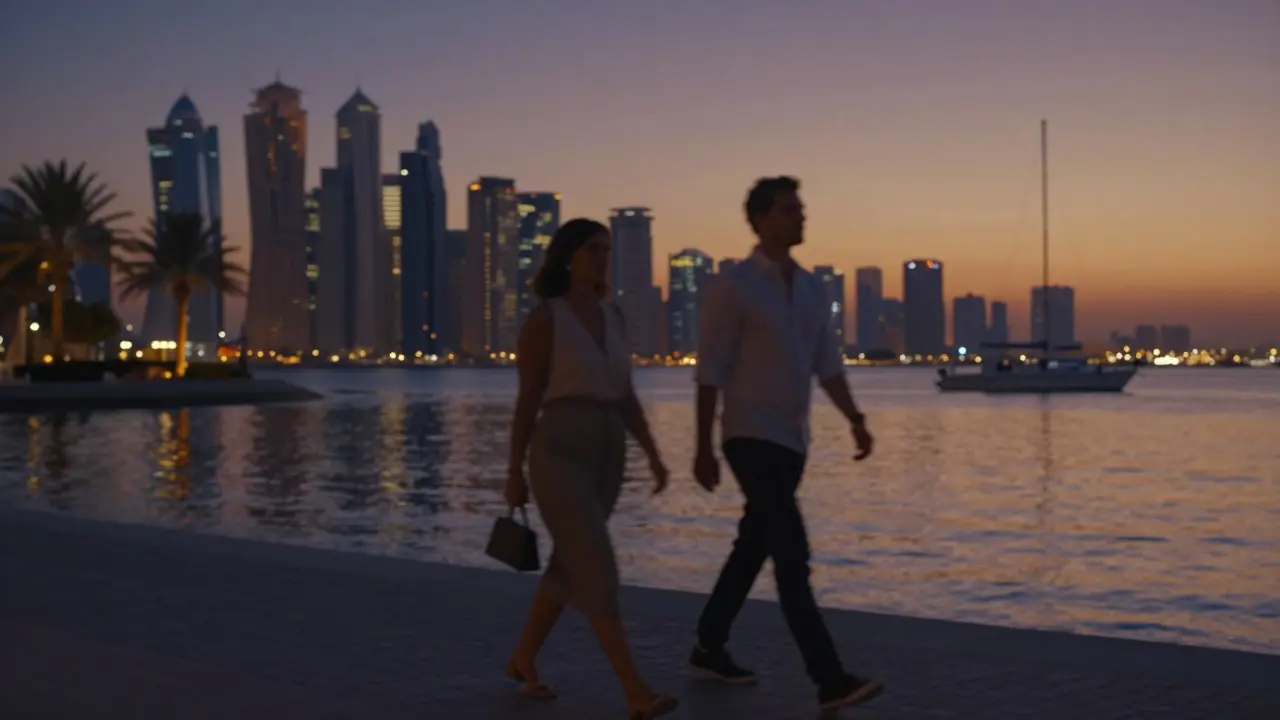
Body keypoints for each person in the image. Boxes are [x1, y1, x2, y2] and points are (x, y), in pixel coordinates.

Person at [687, 177, 885, 712]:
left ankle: (708, 645)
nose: (801, 217)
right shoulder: (736, 285)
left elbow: (827, 366)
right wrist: (702, 448)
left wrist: (856, 420)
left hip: (793, 441)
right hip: (749, 435)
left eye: (801, 209)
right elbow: (710, 371)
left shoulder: (814, 289)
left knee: (754, 545)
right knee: (792, 555)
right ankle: (829, 679)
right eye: (788, 210)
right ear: (758, 220)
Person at [504, 218, 679, 719]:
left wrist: (652, 452)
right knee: (597, 568)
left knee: (569, 564)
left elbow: (624, 393)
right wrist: (513, 471)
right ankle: (635, 693)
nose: (602, 258)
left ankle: (523, 658)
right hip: (559, 447)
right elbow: (527, 401)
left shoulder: (613, 316)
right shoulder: (545, 320)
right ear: (567, 257)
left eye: (606, 250)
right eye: (592, 250)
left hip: (608, 450)